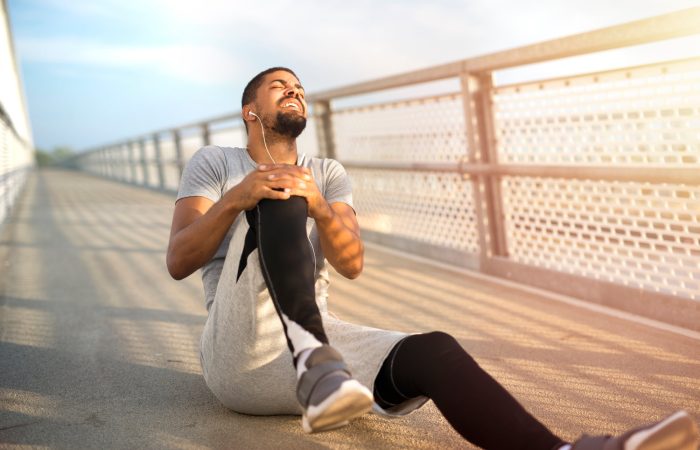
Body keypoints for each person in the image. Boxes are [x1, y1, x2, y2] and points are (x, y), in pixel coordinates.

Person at [166, 67, 700, 449]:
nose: (296, 93)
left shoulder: (327, 172)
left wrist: (322, 210)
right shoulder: (216, 162)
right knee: (278, 189)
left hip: (328, 360)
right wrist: (242, 195)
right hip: (239, 351)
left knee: (434, 349)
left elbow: (351, 263)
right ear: (250, 110)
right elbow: (179, 258)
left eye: (301, 88)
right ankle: (313, 358)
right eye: (281, 87)